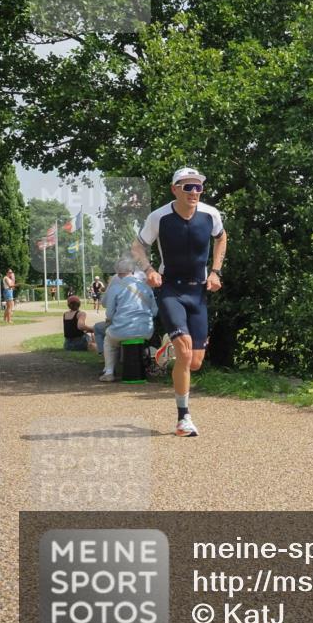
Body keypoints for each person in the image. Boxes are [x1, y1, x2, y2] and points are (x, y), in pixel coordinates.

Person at [132, 166, 226, 437]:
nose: (194, 192)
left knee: (195, 362)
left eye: (198, 187)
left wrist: (216, 271)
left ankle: (169, 348)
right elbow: (137, 246)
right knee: (185, 353)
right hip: (171, 289)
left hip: (198, 292)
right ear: (175, 189)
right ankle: (183, 418)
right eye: (188, 187)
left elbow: (221, 238)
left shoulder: (211, 214)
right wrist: (149, 270)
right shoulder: (159, 217)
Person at [96, 258, 157, 382]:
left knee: (108, 340)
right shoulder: (146, 287)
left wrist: (116, 320)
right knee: (120, 336)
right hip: (146, 330)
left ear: (117, 273)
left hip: (122, 330)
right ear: (133, 271)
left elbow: (109, 314)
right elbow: (155, 311)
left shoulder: (115, 288)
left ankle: (109, 372)